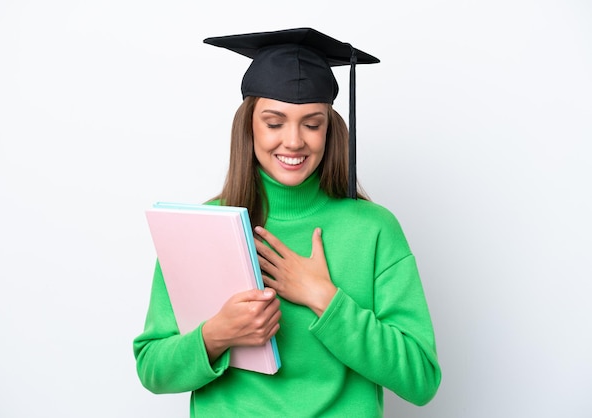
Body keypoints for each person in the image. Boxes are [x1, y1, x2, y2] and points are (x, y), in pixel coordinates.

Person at [133, 27, 441, 417]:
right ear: (249, 126)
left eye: (312, 124)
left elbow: (421, 379)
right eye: (274, 122)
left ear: (330, 131)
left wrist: (324, 299)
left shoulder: (374, 229)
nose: (294, 141)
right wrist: (217, 335)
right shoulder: (201, 227)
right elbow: (152, 368)